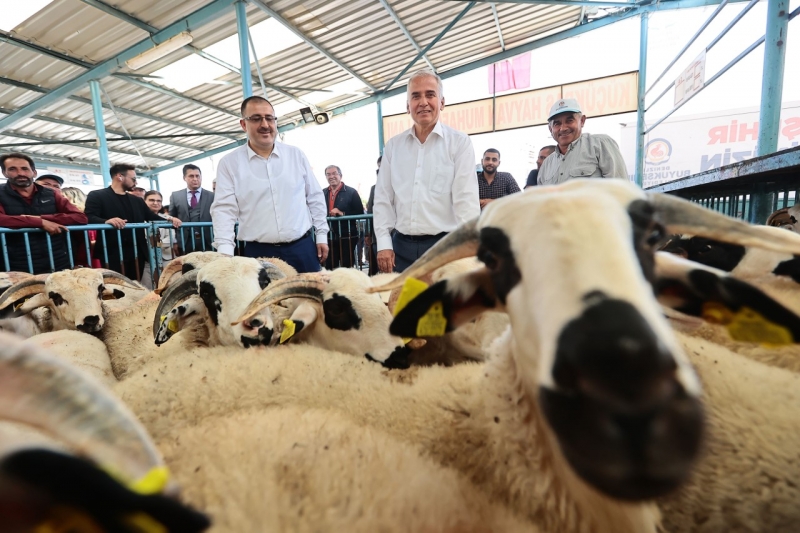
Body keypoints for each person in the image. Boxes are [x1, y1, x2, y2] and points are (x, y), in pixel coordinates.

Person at [373, 69, 480, 273]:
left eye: (430, 94)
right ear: (407, 106)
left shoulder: (459, 143)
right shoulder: (394, 147)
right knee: (401, 304)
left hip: (444, 248)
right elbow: (383, 198)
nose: (423, 102)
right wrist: (384, 244)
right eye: (415, 96)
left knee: (444, 304)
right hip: (400, 249)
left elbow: (466, 200)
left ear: (441, 102)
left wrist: (469, 248)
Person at [211, 95, 329, 273]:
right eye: (256, 119)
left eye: (269, 118)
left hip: (302, 249)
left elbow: (315, 197)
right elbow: (224, 210)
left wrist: (321, 235)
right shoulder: (229, 164)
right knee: (261, 301)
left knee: (312, 299)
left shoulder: (295, 155)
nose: (265, 125)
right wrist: (225, 254)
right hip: (258, 254)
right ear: (244, 124)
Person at [85, 163, 181, 280]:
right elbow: (89, 217)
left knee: (135, 286)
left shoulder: (137, 201)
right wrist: (106, 221)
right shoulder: (97, 196)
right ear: (120, 176)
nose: (136, 182)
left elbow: (151, 216)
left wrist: (171, 221)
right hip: (111, 252)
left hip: (137, 253)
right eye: (133, 179)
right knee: (114, 288)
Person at [0, 153, 87, 273]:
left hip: (57, 260)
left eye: (25, 169)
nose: (20, 173)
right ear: (4, 173)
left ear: (34, 172)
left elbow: (80, 218)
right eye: (12, 169)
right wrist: (39, 222)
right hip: (16, 264)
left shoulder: (51, 194)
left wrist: (43, 218)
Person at [537, 98, 628, 186]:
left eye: (569, 120)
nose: (563, 128)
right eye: (557, 123)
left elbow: (621, 189)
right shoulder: (546, 164)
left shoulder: (600, 145)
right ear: (550, 129)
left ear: (582, 121)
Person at [322, 165, 363, 269]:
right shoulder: (322, 193)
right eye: (328, 174)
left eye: (334, 173)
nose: (331, 176)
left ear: (340, 175)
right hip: (329, 237)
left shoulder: (351, 192)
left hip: (347, 236)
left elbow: (360, 212)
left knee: (347, 266)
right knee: (330, 267)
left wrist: (342, 214)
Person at [169, 164, 214, 257]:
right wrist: (175, 241)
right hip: (185, 242)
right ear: (184, 178)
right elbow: (172, 218)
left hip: (208, 242)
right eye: (191, 176)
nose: (195, 179)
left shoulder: (212, 196)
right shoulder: (175, 196)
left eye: (197, 176)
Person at [365, 156, 381, 276]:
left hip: (400, 235)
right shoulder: (374, 189)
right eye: (379, 168)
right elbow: (370, 211)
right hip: (378, 234)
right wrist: (367, 233)